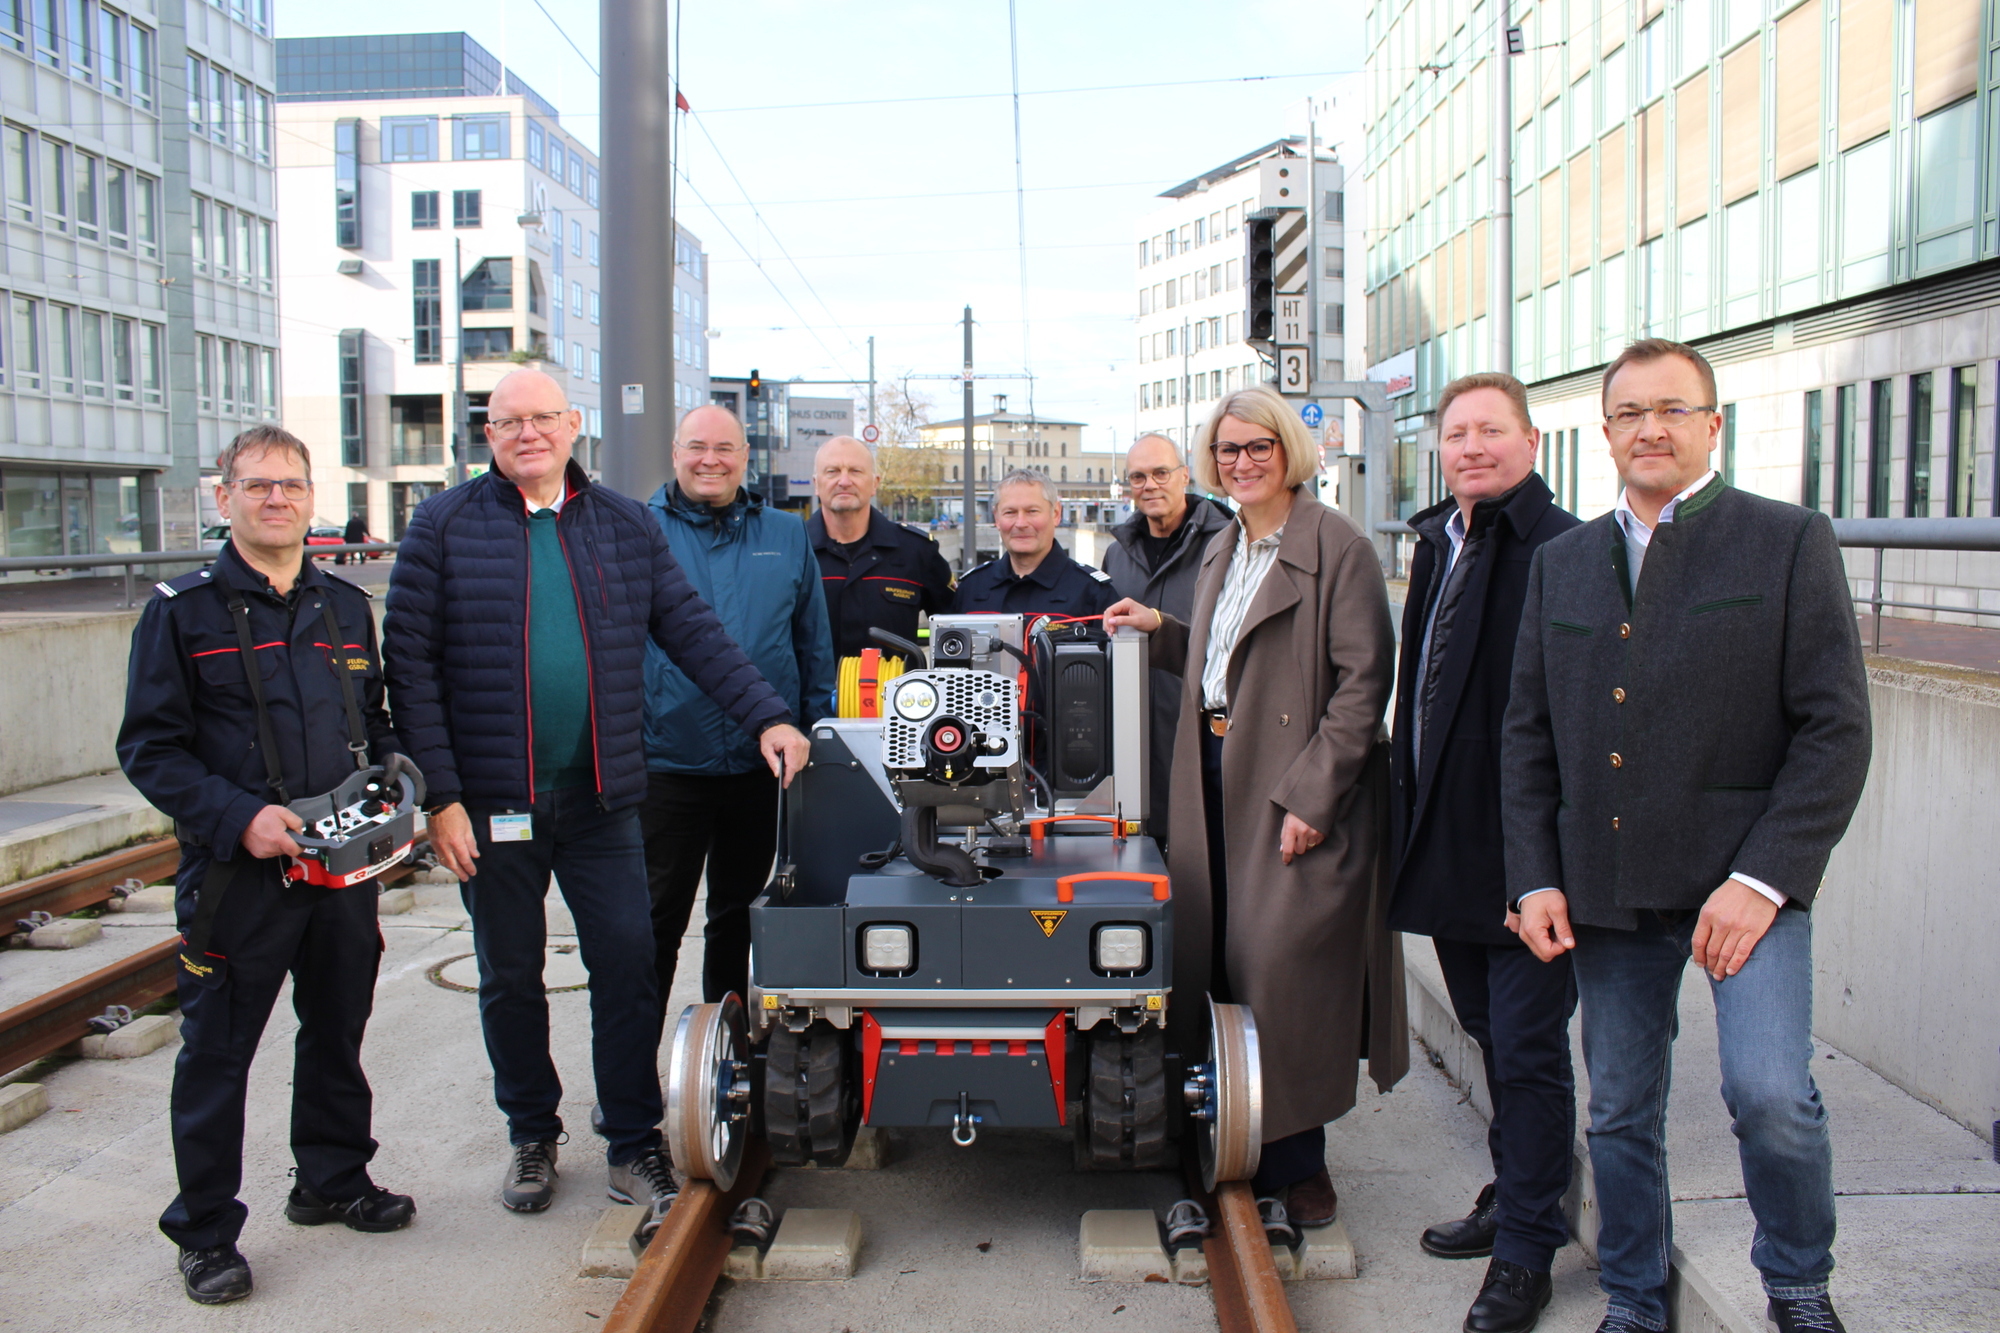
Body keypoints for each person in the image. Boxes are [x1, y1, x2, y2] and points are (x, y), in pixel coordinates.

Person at [1502, 340, 1872, 1333]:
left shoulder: (1785, 541)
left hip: (1744, 885)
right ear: (1605, 431)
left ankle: (1796, 1283)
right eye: (1628, 412)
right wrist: (1532, 876)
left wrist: (1761, 878)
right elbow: (1525, 735)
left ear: (1713, 425)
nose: (1649, 428)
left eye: (1672, 409)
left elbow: (1834, 730)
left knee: (1768, 1094)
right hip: (1606, 887)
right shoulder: (1562, 563)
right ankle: (1633, 1292)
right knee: (1618, 1108)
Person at [383, 371, 811, 1219]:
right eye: (509, 421)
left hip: (605, 798)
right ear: (489, 434)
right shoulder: (441, 526)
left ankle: (631, 1137)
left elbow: (693, 630)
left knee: (624, 962)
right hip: (496, 803)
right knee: (510, 973)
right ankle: (531, 1134)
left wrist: (766, 713)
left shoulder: (622, 523)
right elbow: (411, 671)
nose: (528, 432)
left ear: (573, 426)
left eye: (543, 417)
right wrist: (441, 800)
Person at [118, 425, 420, 1306]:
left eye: (290, 484)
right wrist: (238, 815)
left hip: (340, 874)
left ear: (309, 495)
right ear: (225, 498)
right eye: (257, 485)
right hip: (237, 878)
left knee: (337, 1032)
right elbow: (150, 749)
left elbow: (373, 718)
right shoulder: (180, 613)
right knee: (216, 1055)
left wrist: (399, 776)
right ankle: (205, 1231)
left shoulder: (343, 605)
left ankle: (330, 1179)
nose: (276, 498)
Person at [1105, 386, 1405, 1228]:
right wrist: (1159, 629)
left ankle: (1298, 1160)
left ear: (1289, 453)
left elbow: (1361, 688)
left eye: (1258, 447)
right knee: (1217, 961)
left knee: (1284, 969)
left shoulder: (1336, 545)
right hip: (1210, 769)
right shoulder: (1225, 544)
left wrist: (1315, 794)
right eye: (1228, 450)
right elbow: (1220, 658)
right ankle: (1223, 1131)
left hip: (1287, 781)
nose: (1242, 462)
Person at [1387, 374, 1582, 1333]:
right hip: (1448, 843)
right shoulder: (1441, 541)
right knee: (1494, 1040)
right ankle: (1518, 1191)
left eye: (1491, 430)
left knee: (1532, 1051)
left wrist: (1543, 866)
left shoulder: (1563, 547)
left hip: (1527, 863)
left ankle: (1528, 1251)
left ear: (1532, 441)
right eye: (1456, 432)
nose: (1472, 446)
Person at [641, 405, 838, 1010]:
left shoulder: (784, 534)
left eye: (725, 449)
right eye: (697, 447)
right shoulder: (637, 528)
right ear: (675, 452)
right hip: (665, 764)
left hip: (762, 767)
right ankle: (630, 1081)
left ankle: (727, 1055)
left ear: (744, 457)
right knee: (652, 923)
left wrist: (811, 734)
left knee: (740, 917)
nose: (710, 460)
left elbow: (813, 645)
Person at [1101, 433, 1233, 840]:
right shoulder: (1116, 553)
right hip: (1131, 738)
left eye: (1160, 473)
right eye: (1138, 477)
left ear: (1185, 475)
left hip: (1204, 737)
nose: (1150, 485)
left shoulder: (1227, 542)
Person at [807, 434, 954, 662]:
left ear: (874, 483)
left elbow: (956, 627)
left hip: (893, 696)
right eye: (832, 471)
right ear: (816, 484)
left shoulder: (916, 552)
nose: (844, 481)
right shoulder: (794, 551)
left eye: (855, 471)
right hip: (813, 698)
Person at [951, 469, 1118, 618]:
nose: (1021, 523)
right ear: (997, 518)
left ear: (1056, 514)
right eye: (1010, 512)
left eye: (1032, 511)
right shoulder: (971, 588)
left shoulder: (1092, 592)